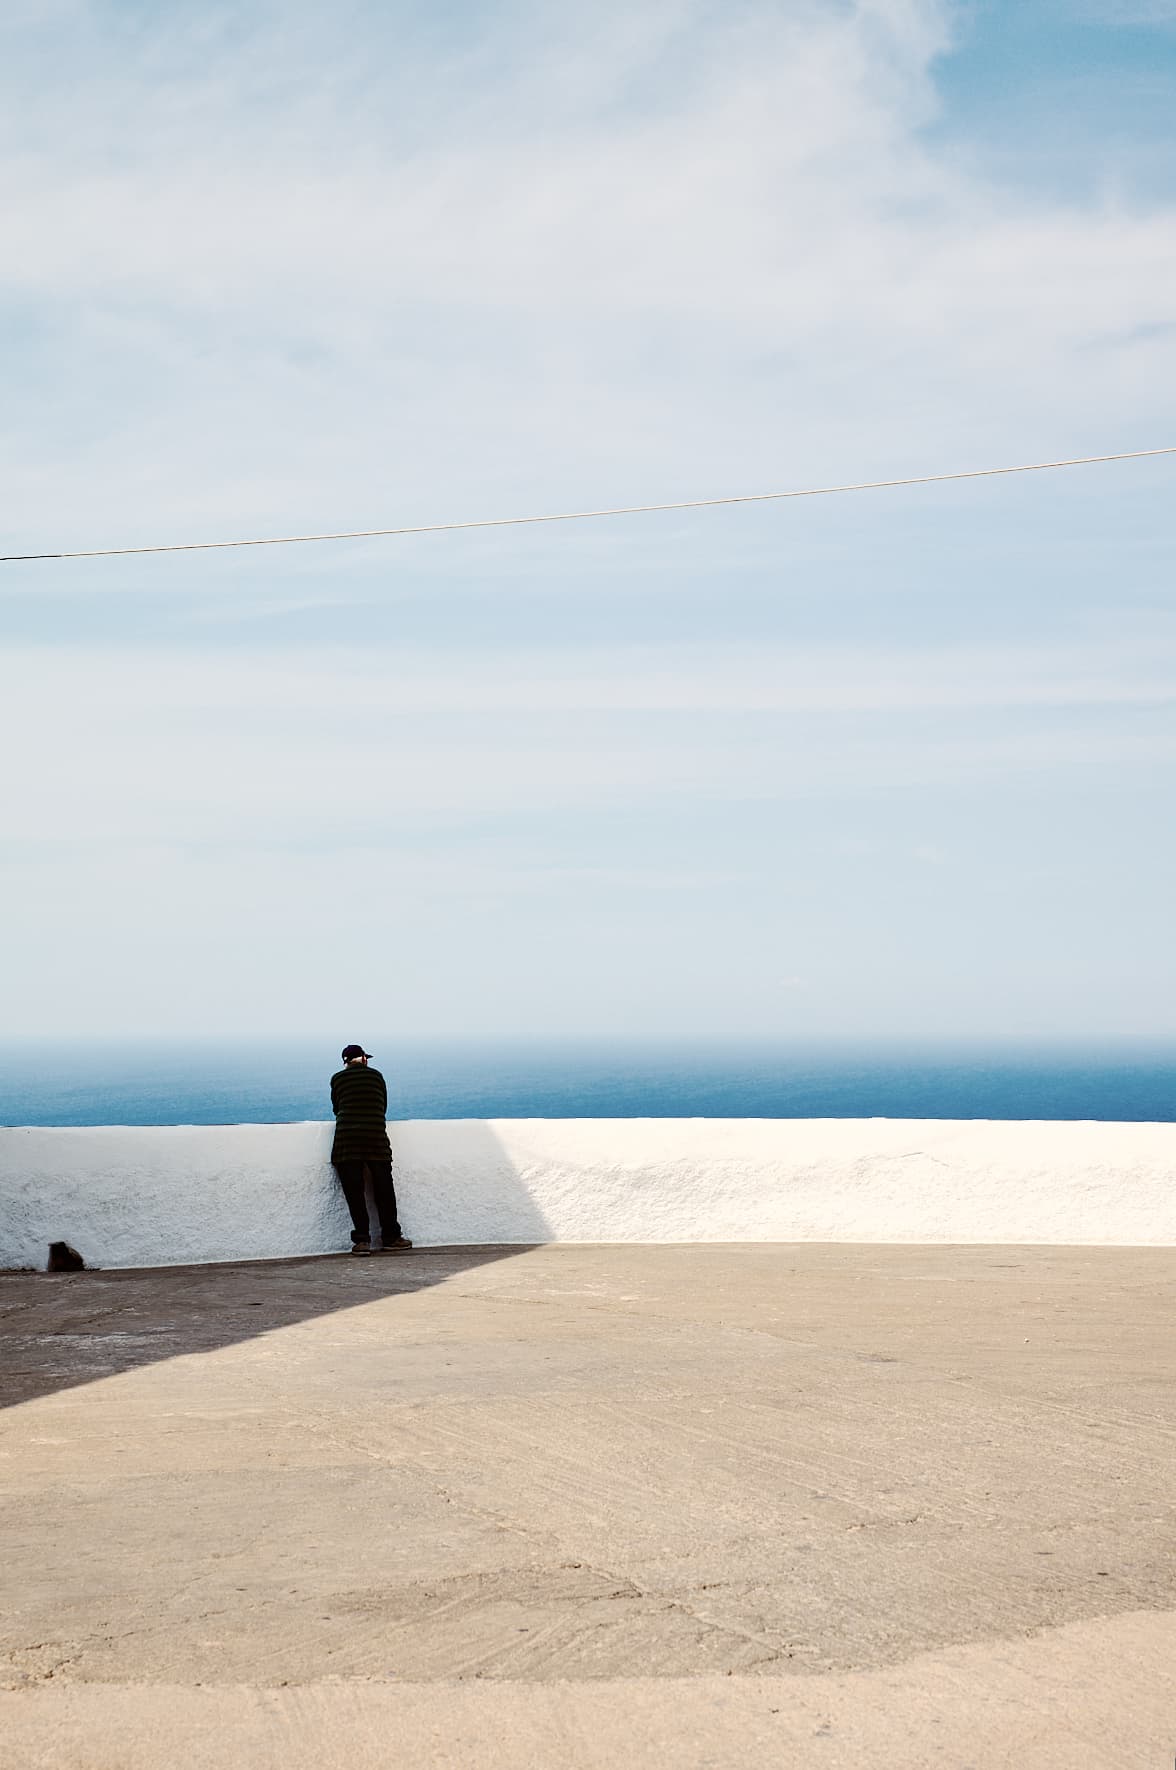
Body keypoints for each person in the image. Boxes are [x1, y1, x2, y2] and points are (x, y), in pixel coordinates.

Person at [329, 1044, 413, 1255]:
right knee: (384, 1190)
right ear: (364, 1059)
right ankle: (391, 1237)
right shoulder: (377, 1076)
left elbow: (336, 1109)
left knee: (354, 1192)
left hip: (347, 1142)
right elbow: (382, 1106)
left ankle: (362, 1241)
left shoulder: (337, 1079)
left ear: (346, 1063)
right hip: (376, 1140)